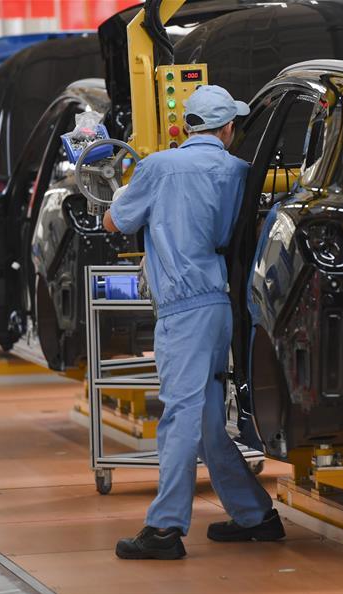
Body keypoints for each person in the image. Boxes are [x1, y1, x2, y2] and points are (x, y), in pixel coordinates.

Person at [104, 85, 285, 560]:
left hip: (182, 311)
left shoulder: (158, 167)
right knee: (206, 423)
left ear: (187, 126)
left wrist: (116, 199)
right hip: (220, 306)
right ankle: (256, 516)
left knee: (180, 416)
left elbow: (115, 223)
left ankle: (164, 528)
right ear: (227, 129)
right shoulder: (241, 172)